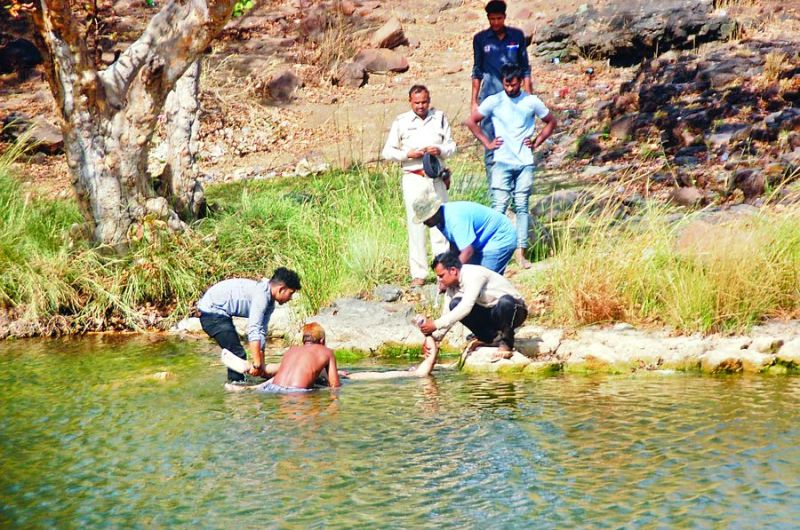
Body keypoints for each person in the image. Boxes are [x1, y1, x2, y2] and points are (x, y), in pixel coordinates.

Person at [464, 63, 557, 269]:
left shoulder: (531, 101)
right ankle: (494, 253)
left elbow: (551, 121)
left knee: (522, 206)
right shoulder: (494, 101)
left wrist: (537, 141)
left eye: (513, 85)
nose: (510, 88)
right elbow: (471, 122)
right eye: (506, 84)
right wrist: (488, 143)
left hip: (524, 162)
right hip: (501, 161)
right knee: (498, 208)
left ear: (520, 82)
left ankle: (521, 254)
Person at [382, 84, 457, 287]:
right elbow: (387, 152)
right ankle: (419, 273)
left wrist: (439, 150)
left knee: (440, 224)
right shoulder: (401, 121)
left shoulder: (439, 118)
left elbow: (452, 146)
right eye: (417, 103)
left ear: (429, 100)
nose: (421, 106)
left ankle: (444, 272)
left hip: (436, 178)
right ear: (410, 102)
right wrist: (408, 154)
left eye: (424, 102)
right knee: (416, 226)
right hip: (414, 177)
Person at [224, 323, 439, 392]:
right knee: (352, 378)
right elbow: (335, 387)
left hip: (272, 387)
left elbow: (287, 372)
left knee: (275, 377)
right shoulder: (326, 352)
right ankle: (417, 371)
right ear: (322, 340)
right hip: (297, 394)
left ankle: (249, 380)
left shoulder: (291, 351)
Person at [198, 267, 301, 382]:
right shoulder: (262, 295)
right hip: (212, 313)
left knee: (238, 354)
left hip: (220, 314)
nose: (290, 298)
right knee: (237, 354)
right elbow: (254, 329)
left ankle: (239, 383)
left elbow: (261, 331)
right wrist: (257, 364)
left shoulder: (269, 302)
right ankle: (237, 387)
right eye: (290, 293)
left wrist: (261, 364)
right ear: (281, 289)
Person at [419, 252, 528, 358]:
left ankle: (507, 343)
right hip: (491, 314)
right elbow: (447, 315)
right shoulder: (452, 287)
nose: (439, 280)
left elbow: (466, 307)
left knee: (505, 302)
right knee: (455, 304)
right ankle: (490, 339)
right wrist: (434, 337)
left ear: (453, 270)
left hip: (514, 310)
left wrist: (435, 324)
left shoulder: (473, 274)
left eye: (441, 276)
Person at [471, 0, 532, 183]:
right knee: (491, 143)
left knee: (517, 141)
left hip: (515, 97)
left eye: (499, 18)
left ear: (504, 17)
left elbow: (525, 68)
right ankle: (495, 189)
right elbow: (477, 70)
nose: (496, 22)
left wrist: (529, 95)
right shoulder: (480, 39)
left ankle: (515, 187)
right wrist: (474, 101)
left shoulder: (517, 36)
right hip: (490, 97)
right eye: (492, 19)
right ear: (488, 18)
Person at [411, 193, 516, 274]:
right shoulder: (439, 221)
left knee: (484, 280)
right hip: (480, 242)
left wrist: (450, 273)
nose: (424, 223)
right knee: (469, 277)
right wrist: (447, 266)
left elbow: (468, 251)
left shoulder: (454, 219)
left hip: (499, 238)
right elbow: (455, 246)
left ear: (434, 213)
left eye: (426, 219)